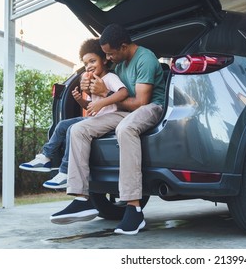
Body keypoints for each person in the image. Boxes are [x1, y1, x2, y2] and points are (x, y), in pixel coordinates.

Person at [49, 24, 165, 235]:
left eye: (110, 54)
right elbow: (112, 94)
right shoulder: (119, 65)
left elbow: (141, 102)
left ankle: (134, 208)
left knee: (125, 129)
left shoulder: (145, 59)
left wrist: (105, 94)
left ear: (123, 46)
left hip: (150, 107)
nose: (108, 58)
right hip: (124, 110)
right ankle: (82, 198)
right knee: (78, 129)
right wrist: (89, 86)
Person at [19, 38, 128, 189]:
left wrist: (102, 101)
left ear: (103, 59)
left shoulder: (110, 77)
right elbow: (90, 106)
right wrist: (79, 101)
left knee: (72, 129)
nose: (89, 66)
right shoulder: (92, 81)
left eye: (92, 61)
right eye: (85, 64)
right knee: (63, 125)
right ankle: (45, 157)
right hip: (96, 119)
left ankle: (65, 171)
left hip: (109, 119)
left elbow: (123, 93)